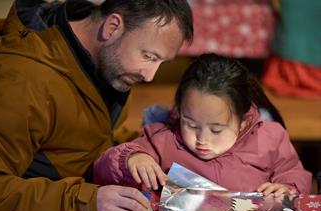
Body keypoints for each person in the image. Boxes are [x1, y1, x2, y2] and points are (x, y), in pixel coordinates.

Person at [0, 0, 193, 211]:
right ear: (112, 26)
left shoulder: (103, 61)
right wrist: (84, 205)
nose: (150, 76)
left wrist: (137, 153)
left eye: (161, 62)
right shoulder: (19, 81)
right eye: (148, 56)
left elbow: (88, 134)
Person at [94, 53, 312, 197]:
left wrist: (287, 187)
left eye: (216, 130)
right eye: (191, 124)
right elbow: (103, 170)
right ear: (179, 112)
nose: (202, 140)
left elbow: (293, 172)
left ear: (243, 121)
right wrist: (130, 158)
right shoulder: (163, 138)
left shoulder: (269, 137)